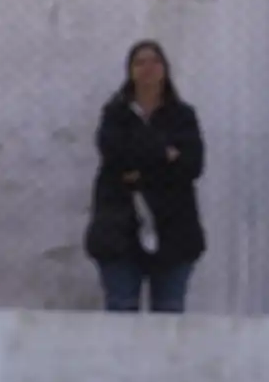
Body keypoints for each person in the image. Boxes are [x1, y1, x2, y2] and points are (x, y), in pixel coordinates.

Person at [85, 40, 206, 313]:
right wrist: (165, 155)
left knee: (169, 314)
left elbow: (192, 165)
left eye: (155, 61)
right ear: (129, 71)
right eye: (139, 62)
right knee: (121, 309)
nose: (148, 68)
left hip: (174, 232)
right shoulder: (115, 115)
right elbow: (114, 157)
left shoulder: (183, 116)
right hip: (119, 232)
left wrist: (140, 165)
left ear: (165, 69)